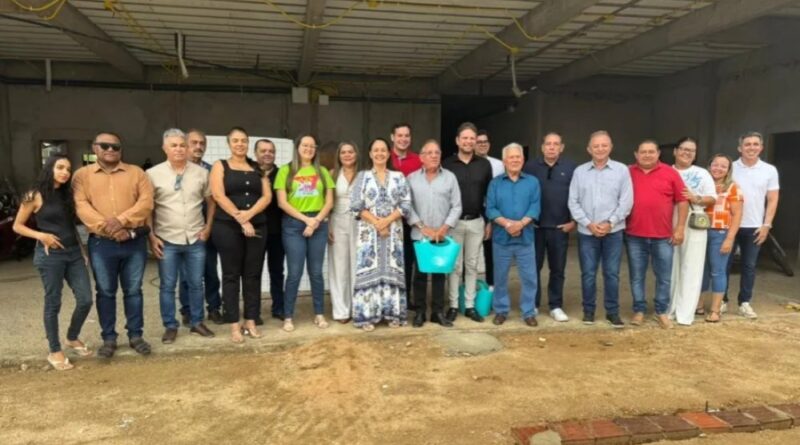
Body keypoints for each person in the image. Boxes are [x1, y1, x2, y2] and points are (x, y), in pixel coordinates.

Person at [72, 132, 154, 358]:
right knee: (106, 291)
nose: (110, 149)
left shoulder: (137, 173)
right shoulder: (82, 175)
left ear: (121, 150)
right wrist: (108, 227)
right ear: (94, 148)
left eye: (115, 146)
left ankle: (136, 335)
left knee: (134, 291)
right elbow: (81, 206)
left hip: (133, 242)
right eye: (105, 145)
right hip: (102, 244)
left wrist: (122, 221)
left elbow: (146, 202)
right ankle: (108, 338)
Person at [13, 154, 93, 370]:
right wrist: (42, 236)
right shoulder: (34, 195)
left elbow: (71, 225)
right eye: (60, 167)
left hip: (74, 253)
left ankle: (72, 336)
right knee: (53, 303)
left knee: (85, 299)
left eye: (68, 169)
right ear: (49, 168)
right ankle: (54, 350)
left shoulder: (68, 195)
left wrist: (82, 250)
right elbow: (17, 226)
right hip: (50, 256)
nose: (65, 172)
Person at [147, 129, 216, 344]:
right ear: (164, 148)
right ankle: (170, 325)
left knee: (196, 283)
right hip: (167, 238)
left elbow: (211, 202)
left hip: (195, 237)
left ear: (187, 148)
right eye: (173, 145)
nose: (178, 149)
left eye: (181, 145)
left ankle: (196, 322)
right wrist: (151, 236)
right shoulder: (152, 174)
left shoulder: (201, 173)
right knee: (168, 285)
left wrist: (208, 227)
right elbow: (148, 208)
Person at [209, 127, 271, 343]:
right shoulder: (220, 165)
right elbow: (218, 194)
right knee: (231, 275)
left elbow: (266, 197)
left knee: (253, 275)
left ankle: (251, 320)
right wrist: (241, 218)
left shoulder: (257, 167)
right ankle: (234, 324)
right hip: (227, 226)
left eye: (243, 140)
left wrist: (250, 216)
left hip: (257, 226)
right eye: (235, 141)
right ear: (229, 143)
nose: (240, 144)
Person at [568, 131, 632, 328]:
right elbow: (573, 201)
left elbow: (626, 201)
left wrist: (610, 223)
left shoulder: (622, 170)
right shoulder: (579, 172)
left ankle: (612, 312)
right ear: (589, 149)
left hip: (613, 232)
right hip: (587, 233)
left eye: (604, 145)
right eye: (596, 146)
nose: (600, 149)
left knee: (612, 273)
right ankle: (589, 311)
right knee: (588, 273)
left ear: (611, 147)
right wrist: (588, 223)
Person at [274, 134, 335, 332]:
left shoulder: (323, 171)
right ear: (297, 147)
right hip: (293, 225)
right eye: (305, 145)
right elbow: (282, 202)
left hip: (318, 223)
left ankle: (319, 313)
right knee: (294, 272)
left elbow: (329, 201)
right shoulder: (285, 170)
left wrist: (315, 220)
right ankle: (288, 315)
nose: (309, 149)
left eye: (312, 146)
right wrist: (306, 220)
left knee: (316, 272)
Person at [350, 137, 412, 331]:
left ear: (388, 153)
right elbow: (355, 206)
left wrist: (387, 221)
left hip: (393, 232)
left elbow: (406, 204)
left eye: (383, 150)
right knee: (369, 270)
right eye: (375, 150)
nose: (379, 153)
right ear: (370, 154)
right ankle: (367, 316)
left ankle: (393, 314)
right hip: (369, 233)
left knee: (393, 270)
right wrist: (377, 222)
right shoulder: (362, 176)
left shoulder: (399, 177)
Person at [626, 139, 688, 329]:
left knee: (664, 276)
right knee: (637, 276)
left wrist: (679, 228)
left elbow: (683, 201)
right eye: (643, 152)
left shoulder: (671, 173)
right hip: (634, 235)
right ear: (636, 154)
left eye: (651, 151)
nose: (647, 155)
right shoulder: (627, 172)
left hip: (663, 236)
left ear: (658, 153)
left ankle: (661, 311)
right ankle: (639, 310)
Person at [406, 139, 462, 328]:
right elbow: (407, 206)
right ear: (421, 157)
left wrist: (444, 228)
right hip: (420, 235)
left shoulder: (450, 178)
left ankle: (437, 312)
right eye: (429, 153)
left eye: (437, 153)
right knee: (419, 275)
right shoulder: (412, 179)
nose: (433, 156)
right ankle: (420, 312)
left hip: (442, 236)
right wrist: (423, 227)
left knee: (440, 274)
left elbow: (457, 206)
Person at [442, 122, 493, 323]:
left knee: (472, 265)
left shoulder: (484, 164)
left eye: (472, 138)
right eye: (465, 138)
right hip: (453, 223)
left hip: (476, 222)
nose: (469, 141)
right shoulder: (447, 164)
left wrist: (488, 222)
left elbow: (490, 195)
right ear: (457, 141)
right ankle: (454, 305)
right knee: (455, 266)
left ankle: (470, 305)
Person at [486, 143, 541, 327]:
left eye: (518, 157)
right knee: (500, 277)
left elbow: (535, 206)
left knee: (529, 278)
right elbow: (491, 209)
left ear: (523, 160)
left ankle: (528, 311)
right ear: (504, 161)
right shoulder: (495, 183)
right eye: (511, 157)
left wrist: (521, 224)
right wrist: (508, 224)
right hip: (502, 238)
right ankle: (501, 310)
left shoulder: (532, 182)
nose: (515, 160)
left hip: (526, 239)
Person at [524, 132, 577, 322]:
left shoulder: (571, 168)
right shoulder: (530, 167)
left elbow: (578, 196)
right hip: (535, 228)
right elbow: (524, 195)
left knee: (558, 269)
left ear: (561, 147)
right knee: (533, 268)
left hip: (560, 228)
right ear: (542, 147)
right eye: (548, 144)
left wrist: (573, 221)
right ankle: (534, 304)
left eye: (556, 144)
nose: (552, 147)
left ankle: (555, 305)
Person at [726, 131, 779, 319]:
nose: (751, 147)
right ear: (740, 148)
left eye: (755, 144)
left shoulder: (769, 170)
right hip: (729, 224)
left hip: (755, 225)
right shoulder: (730, 168)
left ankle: (744, 302)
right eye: (747, 144)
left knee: (749, 266)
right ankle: (722, 300)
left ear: (761, 147)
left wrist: (767, 225)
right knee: (724, 264)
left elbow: (772, 199)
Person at [668, 137, 717, 326]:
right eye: (683, 149)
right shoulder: (666, 171)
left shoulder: (702, 173)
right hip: (669, 220)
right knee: (670, 266)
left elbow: (712, 198)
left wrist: (695, 198)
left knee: (691, 266)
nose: (687, 153)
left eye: (692, 150)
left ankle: (685, 312)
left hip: (694, 221)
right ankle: (669, 308)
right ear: (675, 151)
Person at [178, 128, 222, 325]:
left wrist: (210, 227)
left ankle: (213, 308)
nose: (198, 147)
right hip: (183, 232)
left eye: (201, 143)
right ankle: (187, 310)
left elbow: (217, 199)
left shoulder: (212, 170)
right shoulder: (177, 170)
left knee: (210, 272)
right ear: (185, 145)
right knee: (186, 275)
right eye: (194, 143)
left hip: (208, 229)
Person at [698, 154, 742, 322]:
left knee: (717, 271)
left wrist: (730, 238)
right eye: (715, 164)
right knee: (702, 271)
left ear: (728, 170)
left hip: (720, 233)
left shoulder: (732, 188)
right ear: (709, 166)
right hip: (700, 232)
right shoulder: (703, 185)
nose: (718, 168)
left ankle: (715, 310)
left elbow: (737, 215)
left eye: (723, 166)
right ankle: (699, 305)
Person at [388, 123, 422, 311]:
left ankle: (409, 299)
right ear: (392, 137)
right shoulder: (385, 157)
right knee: (392, 260)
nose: (403, 139)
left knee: (411, 260)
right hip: (389, 220)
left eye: (407, 135)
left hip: (412, 220)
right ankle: (391, 299)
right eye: (399, 135)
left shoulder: (418, 160)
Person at [254, 138, 285, 322]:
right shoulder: (250, 173)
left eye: (271, 151)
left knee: (277, 271)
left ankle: (278, 307)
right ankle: (254, 311)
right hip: (255, 231)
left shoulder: (282, 174)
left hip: (276, 231)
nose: (267, 154)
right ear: (255, 153)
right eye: (263, 150)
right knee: (254, 272)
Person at [328, 142, 359, 323]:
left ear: (356, 154)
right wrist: (328, 225)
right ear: (339, 156)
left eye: (350, 152)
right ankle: (341, 311)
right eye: (343, 152)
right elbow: (328, 202)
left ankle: (358, 308)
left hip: (360, 223)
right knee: (339, 267)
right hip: (337, 221)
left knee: (358, 266)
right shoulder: (332, 174)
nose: (347, 155)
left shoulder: (364, 174)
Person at [475, 129, 503, 291]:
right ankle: (469, 288)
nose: (482, 145)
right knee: (469, 254)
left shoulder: (499, 165)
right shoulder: (468, 163)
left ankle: (492, 286)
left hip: (492, 212)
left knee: (491, 252)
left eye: (485, 142)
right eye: (479, 142)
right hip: (473, 210)